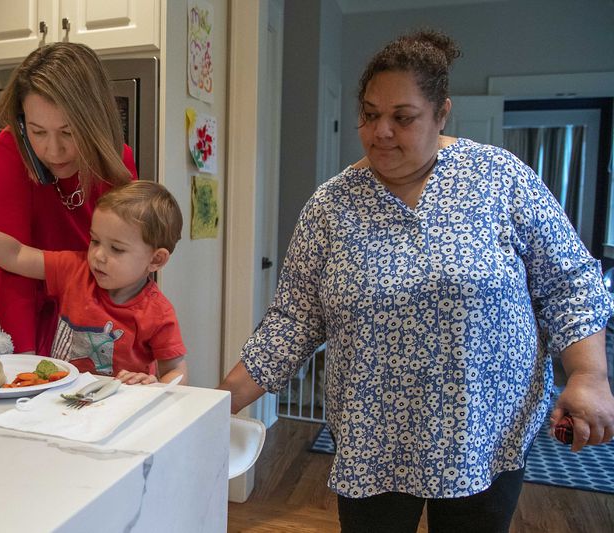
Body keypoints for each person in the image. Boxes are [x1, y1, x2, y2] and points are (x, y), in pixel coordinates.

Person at [218, 29, 614, 533]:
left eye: (402, 118)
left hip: (484, 434)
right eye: (369, 114)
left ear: (441, 113)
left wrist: (588, 376)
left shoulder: (500, 179)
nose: (381, 131)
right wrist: (217, 402)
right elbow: (293, 322)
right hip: (371, 439)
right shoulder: (330, 206)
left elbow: (571, 283)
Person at [0, 42, 138, 356]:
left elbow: (125, 265)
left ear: (96, 124)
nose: (53, 151)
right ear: (22, 123)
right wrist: (23, 367)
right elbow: (11, 275)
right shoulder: (8, 153)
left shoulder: (117, 163)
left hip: (69, 320)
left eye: (68, 132)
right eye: (37, 131)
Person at [0, 181, 187, 386]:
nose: (99, 255)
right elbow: (15, 254)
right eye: (95, 241)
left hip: (119, 413)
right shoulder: (76, 270)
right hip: (57, 400)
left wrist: (157, 387)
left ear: (156, 260)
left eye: (117, 249)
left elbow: (177, 373)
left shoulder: (158, 313)